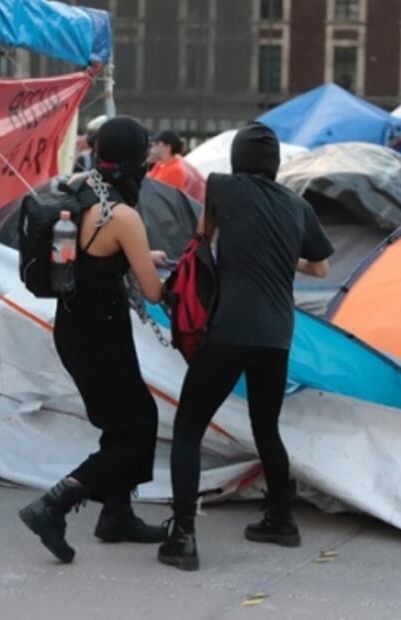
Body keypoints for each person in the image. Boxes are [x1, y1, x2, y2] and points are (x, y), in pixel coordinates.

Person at [158, 122, 334, 571]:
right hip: (276, 336)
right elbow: (320, 268)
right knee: (266, 428)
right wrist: (279, 255)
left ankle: (182, 537)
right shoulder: (298, 206)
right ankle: (281, 520)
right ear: (275, 165)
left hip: (229, 331)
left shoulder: (222, 188)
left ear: (237, 159)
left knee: (189, 428)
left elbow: (203, 240)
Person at [19, 116, 171, 563]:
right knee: (136, 427)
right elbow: (152, 291)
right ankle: (55, 504)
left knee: (123, 420)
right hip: (101, 331)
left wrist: (142, 255)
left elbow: (93, 255)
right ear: (137, 162)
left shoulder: (79, 186)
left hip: (73, 326)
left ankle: (116, 515)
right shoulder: (123, 215)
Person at [148, 130, 206, 202]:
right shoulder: (160, 164)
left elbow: (158, 193)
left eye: (157, 144)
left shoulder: (176, 169)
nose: (153, 147)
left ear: (167, 147)